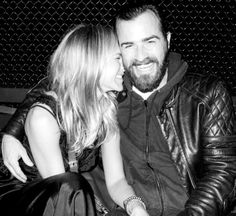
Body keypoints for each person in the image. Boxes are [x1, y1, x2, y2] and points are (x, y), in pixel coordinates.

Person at [1, 1, 236, 216]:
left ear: (168, 40)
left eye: (150, 41)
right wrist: (12, 131)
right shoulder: (111, 89)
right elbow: (59, 84)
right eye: (128, 46)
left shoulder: (206, 93)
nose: (140, 56)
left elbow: (224, 173)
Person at [0, 24, 150, 216]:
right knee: (71, 186)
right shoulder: (44, 119)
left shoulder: (106, 108)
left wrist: (135, 206)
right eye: (117, 59)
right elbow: (63, 195)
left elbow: (116, 181)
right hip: (20, 197)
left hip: (64, 197)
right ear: (93, 63)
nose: (124, 67)